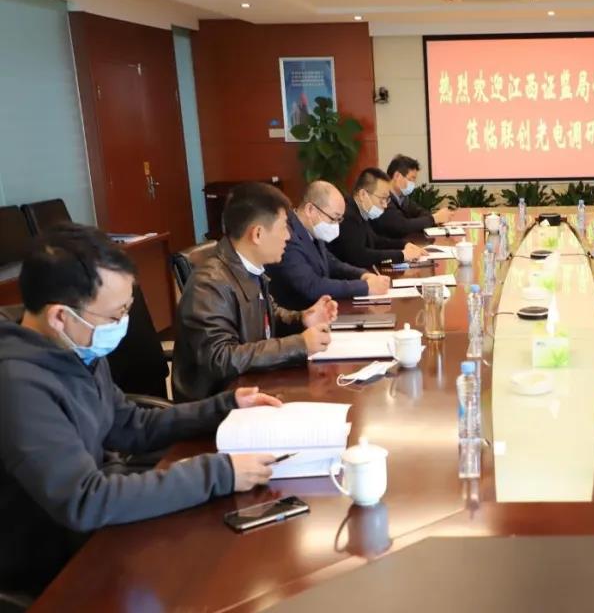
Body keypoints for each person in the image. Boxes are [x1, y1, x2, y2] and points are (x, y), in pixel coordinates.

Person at [0, 224, 281, 594]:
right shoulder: (17, 383)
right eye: (115, 315)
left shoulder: (74, 347)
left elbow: (129, 423)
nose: (122, 324)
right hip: (52, 561)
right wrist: (220, 473)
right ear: (59, 317)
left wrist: (225, 407)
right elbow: (85, 500)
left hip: (95, 524)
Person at [172, 182, 336, 401]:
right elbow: (220, 358)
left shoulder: (250, 268)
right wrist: (299, 345)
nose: (288, 236)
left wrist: (302, 319)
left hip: (252, 387)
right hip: (217, 404)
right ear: (257, 234)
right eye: (283, 227)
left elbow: (267, 318)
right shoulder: (209, 283)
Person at [265, 180, 390, 311]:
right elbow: (312, 286)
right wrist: (365, 287)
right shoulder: (287, 237)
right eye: (333, 218)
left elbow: (331, 263)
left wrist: (362, 275)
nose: (336, 225)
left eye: (339, 219)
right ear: (310, 210)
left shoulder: (312, 229)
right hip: (298, 316)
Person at [330, 168, 428, 270]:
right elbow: (359, 256)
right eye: (382, 199)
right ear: (363, 194)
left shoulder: (361, 211)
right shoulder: (347, 216)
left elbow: (375, 241)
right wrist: (402, 255)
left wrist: (404, 244)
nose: (385, 205)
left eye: (387, 199)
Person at [371, 155, 452, 238]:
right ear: (397, 176)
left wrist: (435, 218)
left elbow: (421, 212)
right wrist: (434, 219)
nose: (413, 184)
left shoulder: (403, 199)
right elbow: (402, 226)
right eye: (411, 179)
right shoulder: (383, 199)